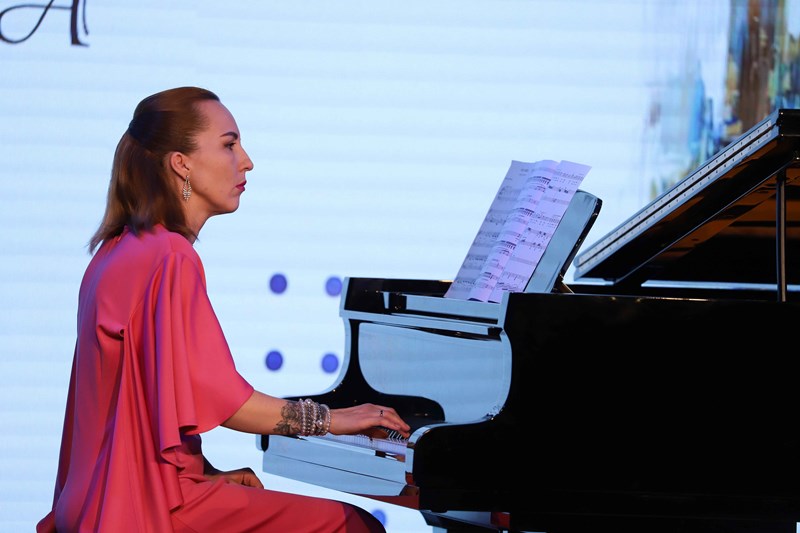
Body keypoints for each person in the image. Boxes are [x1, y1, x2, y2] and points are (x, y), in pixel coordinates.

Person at [36, 86, 411, 533]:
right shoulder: (170, 257)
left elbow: (143, 407)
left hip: (99, 502)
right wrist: (332, 419)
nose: (246, 161)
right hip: (149, 508)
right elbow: (223, 399)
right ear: (182, 163)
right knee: (352, 526)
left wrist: (205, 472)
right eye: (229, 145)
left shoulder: (118, 251)